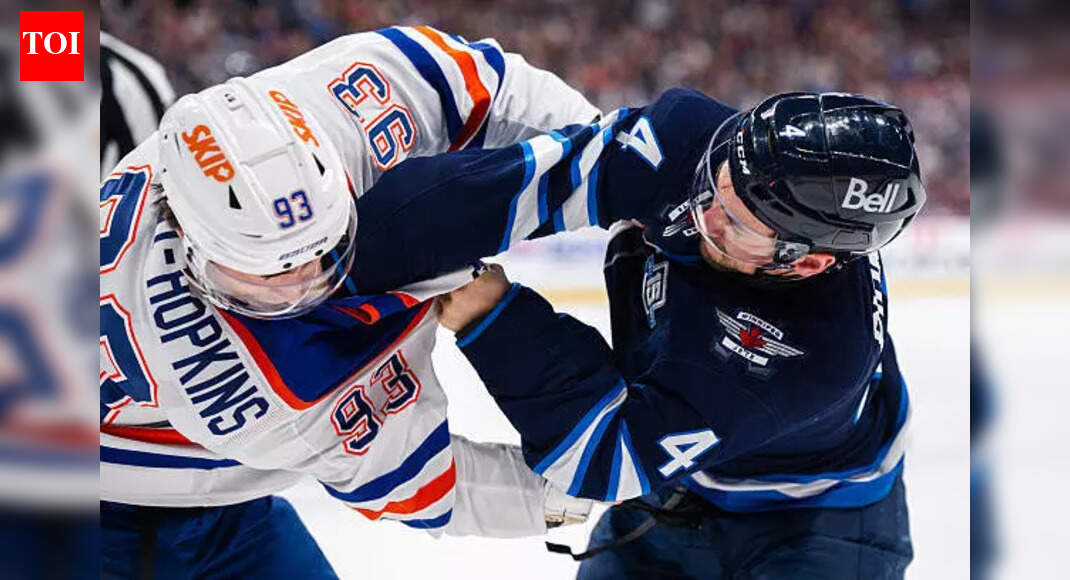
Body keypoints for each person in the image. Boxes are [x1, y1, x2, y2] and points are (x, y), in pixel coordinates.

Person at [347, 88, 926, 578]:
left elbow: (604, 459)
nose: (702, 213)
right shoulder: (690, 139)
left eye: (738, 228)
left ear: (805, 263)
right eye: (716, 183)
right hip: (684, 481)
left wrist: (496, 319)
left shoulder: (816, 352)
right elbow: (530, 184)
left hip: (825, 532)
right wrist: (362, 254)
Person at [99, 26, 599, 578]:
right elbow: (424, 481)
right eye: (273, 268)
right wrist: (579, 488)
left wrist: (623, 167)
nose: (304, 285)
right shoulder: (253, 388)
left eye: (319, 252)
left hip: (214, 501)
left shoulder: (312, 120)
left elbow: (484, 82)